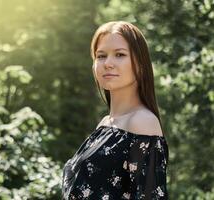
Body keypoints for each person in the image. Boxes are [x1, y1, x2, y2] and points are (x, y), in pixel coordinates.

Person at [61, 21, 169, 199]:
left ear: (140, 64)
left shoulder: (142, 122)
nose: (108, 63)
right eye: (101, 56)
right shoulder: (105, 124)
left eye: (120, 54)